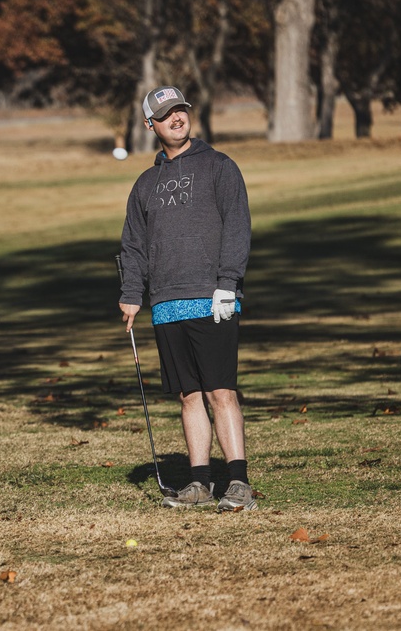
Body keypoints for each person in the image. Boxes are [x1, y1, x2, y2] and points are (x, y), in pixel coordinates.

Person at [118, 86, 255, 511]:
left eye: (180, 110)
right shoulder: (145, 183)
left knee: (221, 391)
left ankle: (238, 483)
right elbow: (133, 245)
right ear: (150, 125)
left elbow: (237, 226)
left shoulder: (219, 167)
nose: (176, 118)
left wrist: (228, 283)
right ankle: (198, 483)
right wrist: (131, 295)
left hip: (213, 298)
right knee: (188, 395)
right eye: (166, 114)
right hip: (166, 302)